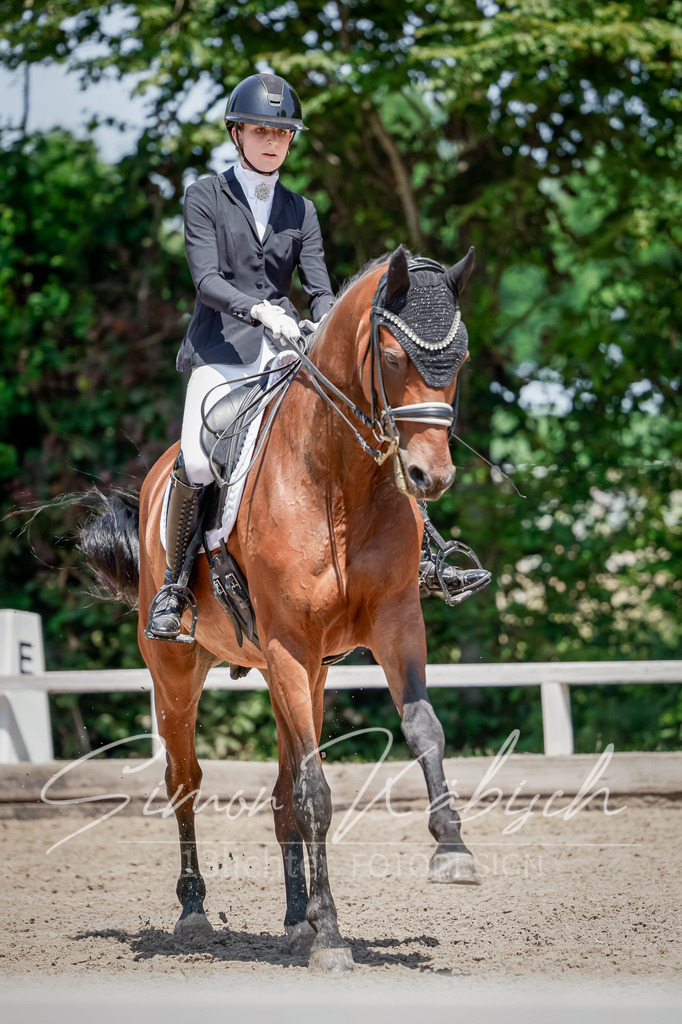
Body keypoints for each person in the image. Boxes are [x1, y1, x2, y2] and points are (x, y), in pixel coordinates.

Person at [146, 73, 489, 642]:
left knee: (368, 431)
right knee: (200, 458)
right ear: (237, 133)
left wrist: (325, 324)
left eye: (282, 132)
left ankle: (429, 557)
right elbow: (206, 280)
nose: (273, 141)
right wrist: (261, 311)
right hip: (222, 353)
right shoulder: (204, 196)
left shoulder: (300, 209)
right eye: (261, 130)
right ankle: (174, 586)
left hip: (287, 354)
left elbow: (322, 287)